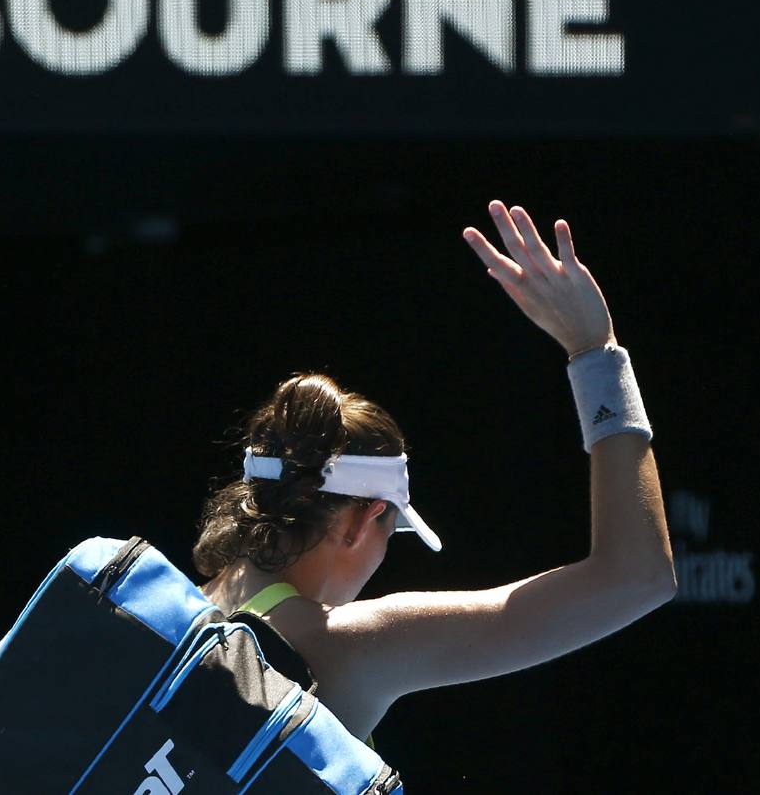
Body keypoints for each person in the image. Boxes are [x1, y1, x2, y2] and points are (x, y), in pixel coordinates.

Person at [196, 200, 675, 745]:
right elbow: (638, 578)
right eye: (388, 531)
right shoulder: (350, 647)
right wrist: (595, 350)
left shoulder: (162, 622)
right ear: (360, 520)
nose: (382, 556)